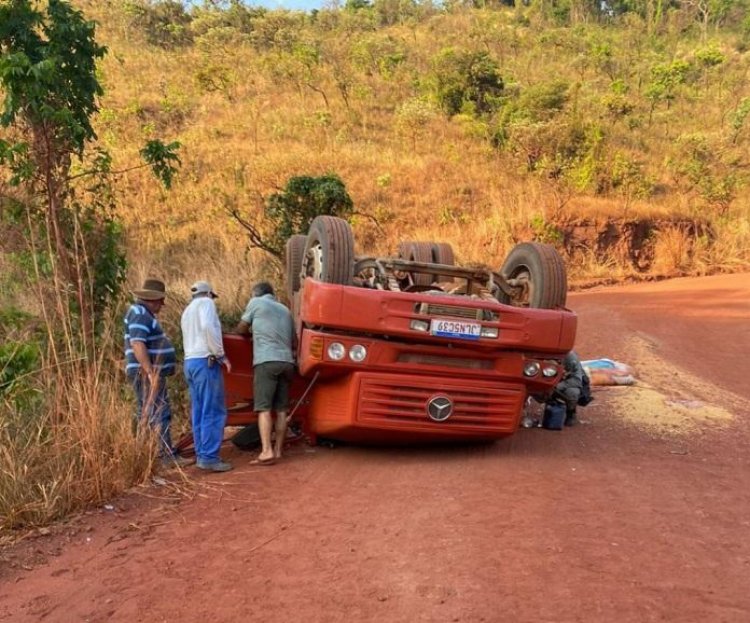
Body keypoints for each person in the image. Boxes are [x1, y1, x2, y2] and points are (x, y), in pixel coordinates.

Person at [124, 278, 191, 468]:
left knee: (148, 410)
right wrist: (150, 371)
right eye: (160, 300)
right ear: (153, 299)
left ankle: (148, 455)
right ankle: (164, 456)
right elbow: (137, 343)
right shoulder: (139, 314)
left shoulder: (142, 314)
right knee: (159, 410)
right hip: (146, 373)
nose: (162, 304)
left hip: (147, 372)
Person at [235, 282, 295, 465]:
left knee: (264, 408)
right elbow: (294, 339)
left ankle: (266, 450)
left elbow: (241, 329)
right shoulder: (285, 310)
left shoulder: (256, 303)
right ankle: (278, 451)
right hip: (286, 362)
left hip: (266, 360)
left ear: (256, 294)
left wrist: (253, 333)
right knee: (282, 409)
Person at [181, 280, 233, 472]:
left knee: (199, 410)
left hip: (190, 362)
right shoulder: (207, 304)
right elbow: (208, 328)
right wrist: (220, 355)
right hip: (206, 361)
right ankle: (209, 457)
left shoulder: (187, 311)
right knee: (213, 409)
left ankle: (202, 453)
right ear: (209, 294)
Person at [552, 350, 585, 426]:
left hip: (562, 384)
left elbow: (577, 380)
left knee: (572, 392)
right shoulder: (541, 351)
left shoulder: (570, 357)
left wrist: (558, 386)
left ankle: (571, 412)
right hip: (546, 381)